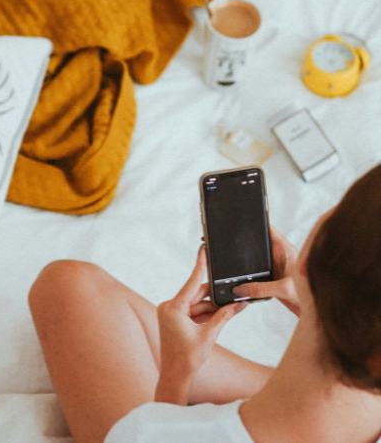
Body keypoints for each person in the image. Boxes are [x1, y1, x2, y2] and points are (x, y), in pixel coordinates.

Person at [28, 165, 381, 443]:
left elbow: (155, 433)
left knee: (66, 286)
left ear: (311, 258)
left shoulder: (148, 434)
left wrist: (176, 372)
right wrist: (313, 299)